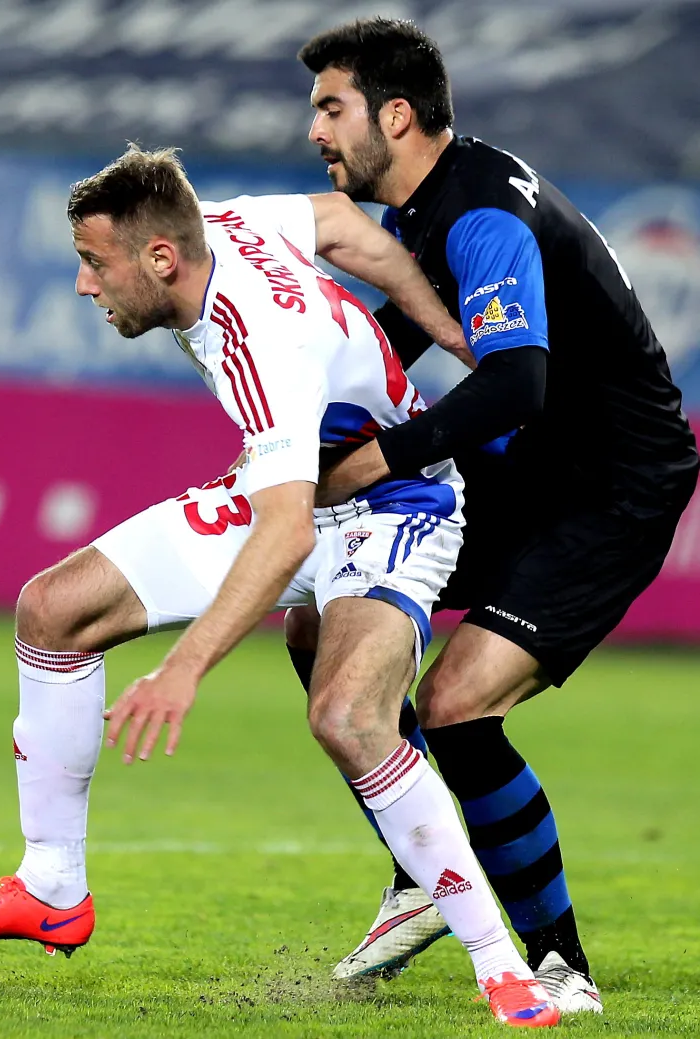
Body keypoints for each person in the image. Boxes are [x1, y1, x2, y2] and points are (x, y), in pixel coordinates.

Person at [0, 145, 561, 1028]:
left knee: (347, 717)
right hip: (297, 482)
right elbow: (339, 227)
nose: (82, 285)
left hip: (391, 505)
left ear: (159, 260)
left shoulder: (264, 345)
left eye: (95, 263)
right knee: (53, 609)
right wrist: (442, 328)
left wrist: (184, 667)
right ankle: (51, 886)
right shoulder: (228, 223)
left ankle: (502, 968)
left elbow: (285, 530)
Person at [293, 18, 699, 1013]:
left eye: (328, 107)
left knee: (454, 704)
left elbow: (514, 381)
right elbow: (394, 342)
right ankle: (416, 873)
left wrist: (369, 461)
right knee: (317, 617)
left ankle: (559, 963)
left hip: (611, 488)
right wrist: (293, 444)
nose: (314, 131)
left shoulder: (475, 214)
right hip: (526, 475)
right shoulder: (429, 204)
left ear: (395, 114)